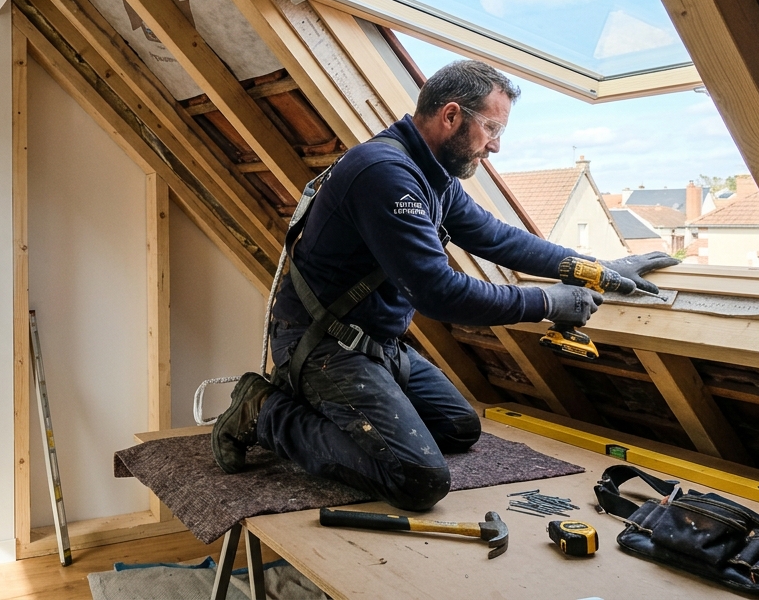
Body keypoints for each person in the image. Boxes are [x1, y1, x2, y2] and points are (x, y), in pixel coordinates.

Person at [211, 60, 676, 510]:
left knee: (457, 428)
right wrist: (547, 302)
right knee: (417, 479)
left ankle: (328, 408)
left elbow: (495, 237)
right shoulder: (385, 174)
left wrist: (594, 268)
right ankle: (265, 411)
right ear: (452, 115)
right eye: (492, 130)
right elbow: (438, 292)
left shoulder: (430, 172)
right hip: (324, 346)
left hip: (378, 343)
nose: (495, 147)